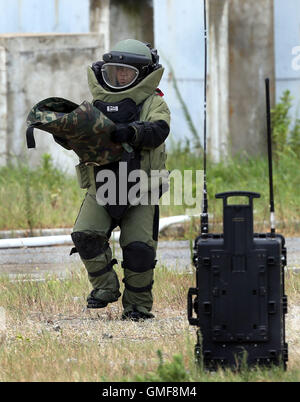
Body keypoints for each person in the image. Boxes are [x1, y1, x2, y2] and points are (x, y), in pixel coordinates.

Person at [71, 39, 171, 321]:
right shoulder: (94, 103)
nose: (119, 76)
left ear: (141, 74)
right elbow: (80, 134)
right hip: (101, 187)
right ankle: (105, 288)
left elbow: (159, 130)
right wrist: (64, 134)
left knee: (139, 250)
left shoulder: (154, 102)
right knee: (85, 235)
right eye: (114, 71)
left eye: (126, 72)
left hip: (142, 189)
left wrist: (132, 132)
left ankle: (137, 308)